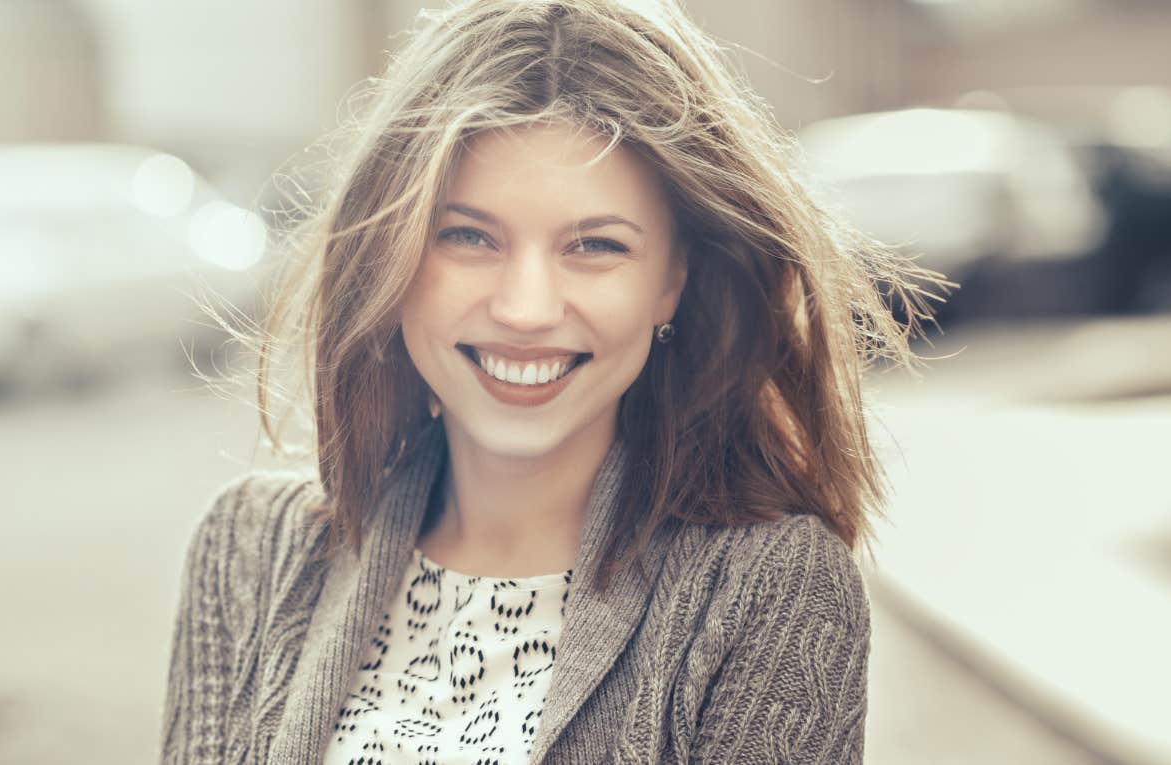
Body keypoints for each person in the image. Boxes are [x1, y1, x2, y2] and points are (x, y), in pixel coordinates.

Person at [161, 1, 939, 763]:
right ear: (391, 256)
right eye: (468, 236)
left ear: (672, 280)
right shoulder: (251, 552)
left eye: (595, 246)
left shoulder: (770, 591)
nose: (525, 309)